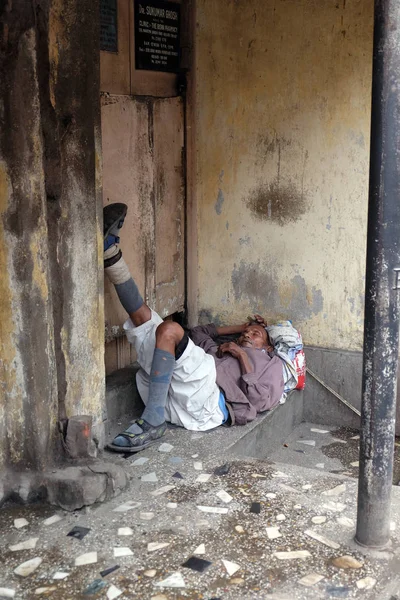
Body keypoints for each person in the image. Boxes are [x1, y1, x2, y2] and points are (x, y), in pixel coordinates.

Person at [104, 203, 284, 453]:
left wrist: (243, 356)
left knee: (168, 330)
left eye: (256, 333)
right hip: (182, 392)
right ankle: (110, 252)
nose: (248, 334)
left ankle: (153, 421)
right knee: (144, 319)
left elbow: (261, 399)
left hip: (211, 401)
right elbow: (196, 334)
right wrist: (236, 333)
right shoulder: (220, 348)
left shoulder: (272, 364)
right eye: (247, 330)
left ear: (267, 345)